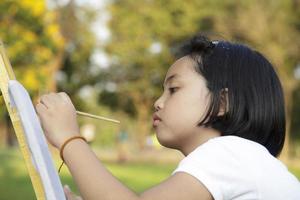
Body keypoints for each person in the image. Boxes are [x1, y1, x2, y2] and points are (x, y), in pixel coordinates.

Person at [35, 34, 300, 200]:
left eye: (173, 89)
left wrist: (69, 138)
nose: (157, 102)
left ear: (222, 102)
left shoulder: (230, 153)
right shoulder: (240, 161)